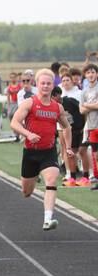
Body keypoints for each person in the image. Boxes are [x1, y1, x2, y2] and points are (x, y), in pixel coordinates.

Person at [10, 69, 73, 230]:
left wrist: (69, 146)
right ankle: (32, 180)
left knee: (51, 180)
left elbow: (66, 127)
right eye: (42, 83)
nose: (45, 86)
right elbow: (14, 123)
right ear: (37, 85)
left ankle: (47, 219)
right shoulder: (29, 103)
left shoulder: (57, 107)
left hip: (48, 151)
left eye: (48, 83)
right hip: (31, 153)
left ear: (53, 85)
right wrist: (28, 134)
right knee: (26, 192)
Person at [52, 86, 89, 187]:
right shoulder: (54, 107)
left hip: (81, 130)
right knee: (70, 153)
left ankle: (86, 177)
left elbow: (83, 111)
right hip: (71, 132)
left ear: (57, 95)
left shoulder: (70, 101)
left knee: (82, 151)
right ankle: (72, 178)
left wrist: (85, 125)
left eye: (52, 97)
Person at [80, 63, 98, 187]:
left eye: (93, 72)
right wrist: (90, 106)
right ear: (85, 75)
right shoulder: (84, 92)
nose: (90, 75)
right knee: (96, 155)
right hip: (91, 126)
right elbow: (81, 110)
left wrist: (87, 105)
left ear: (97, 74)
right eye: (88, 73)